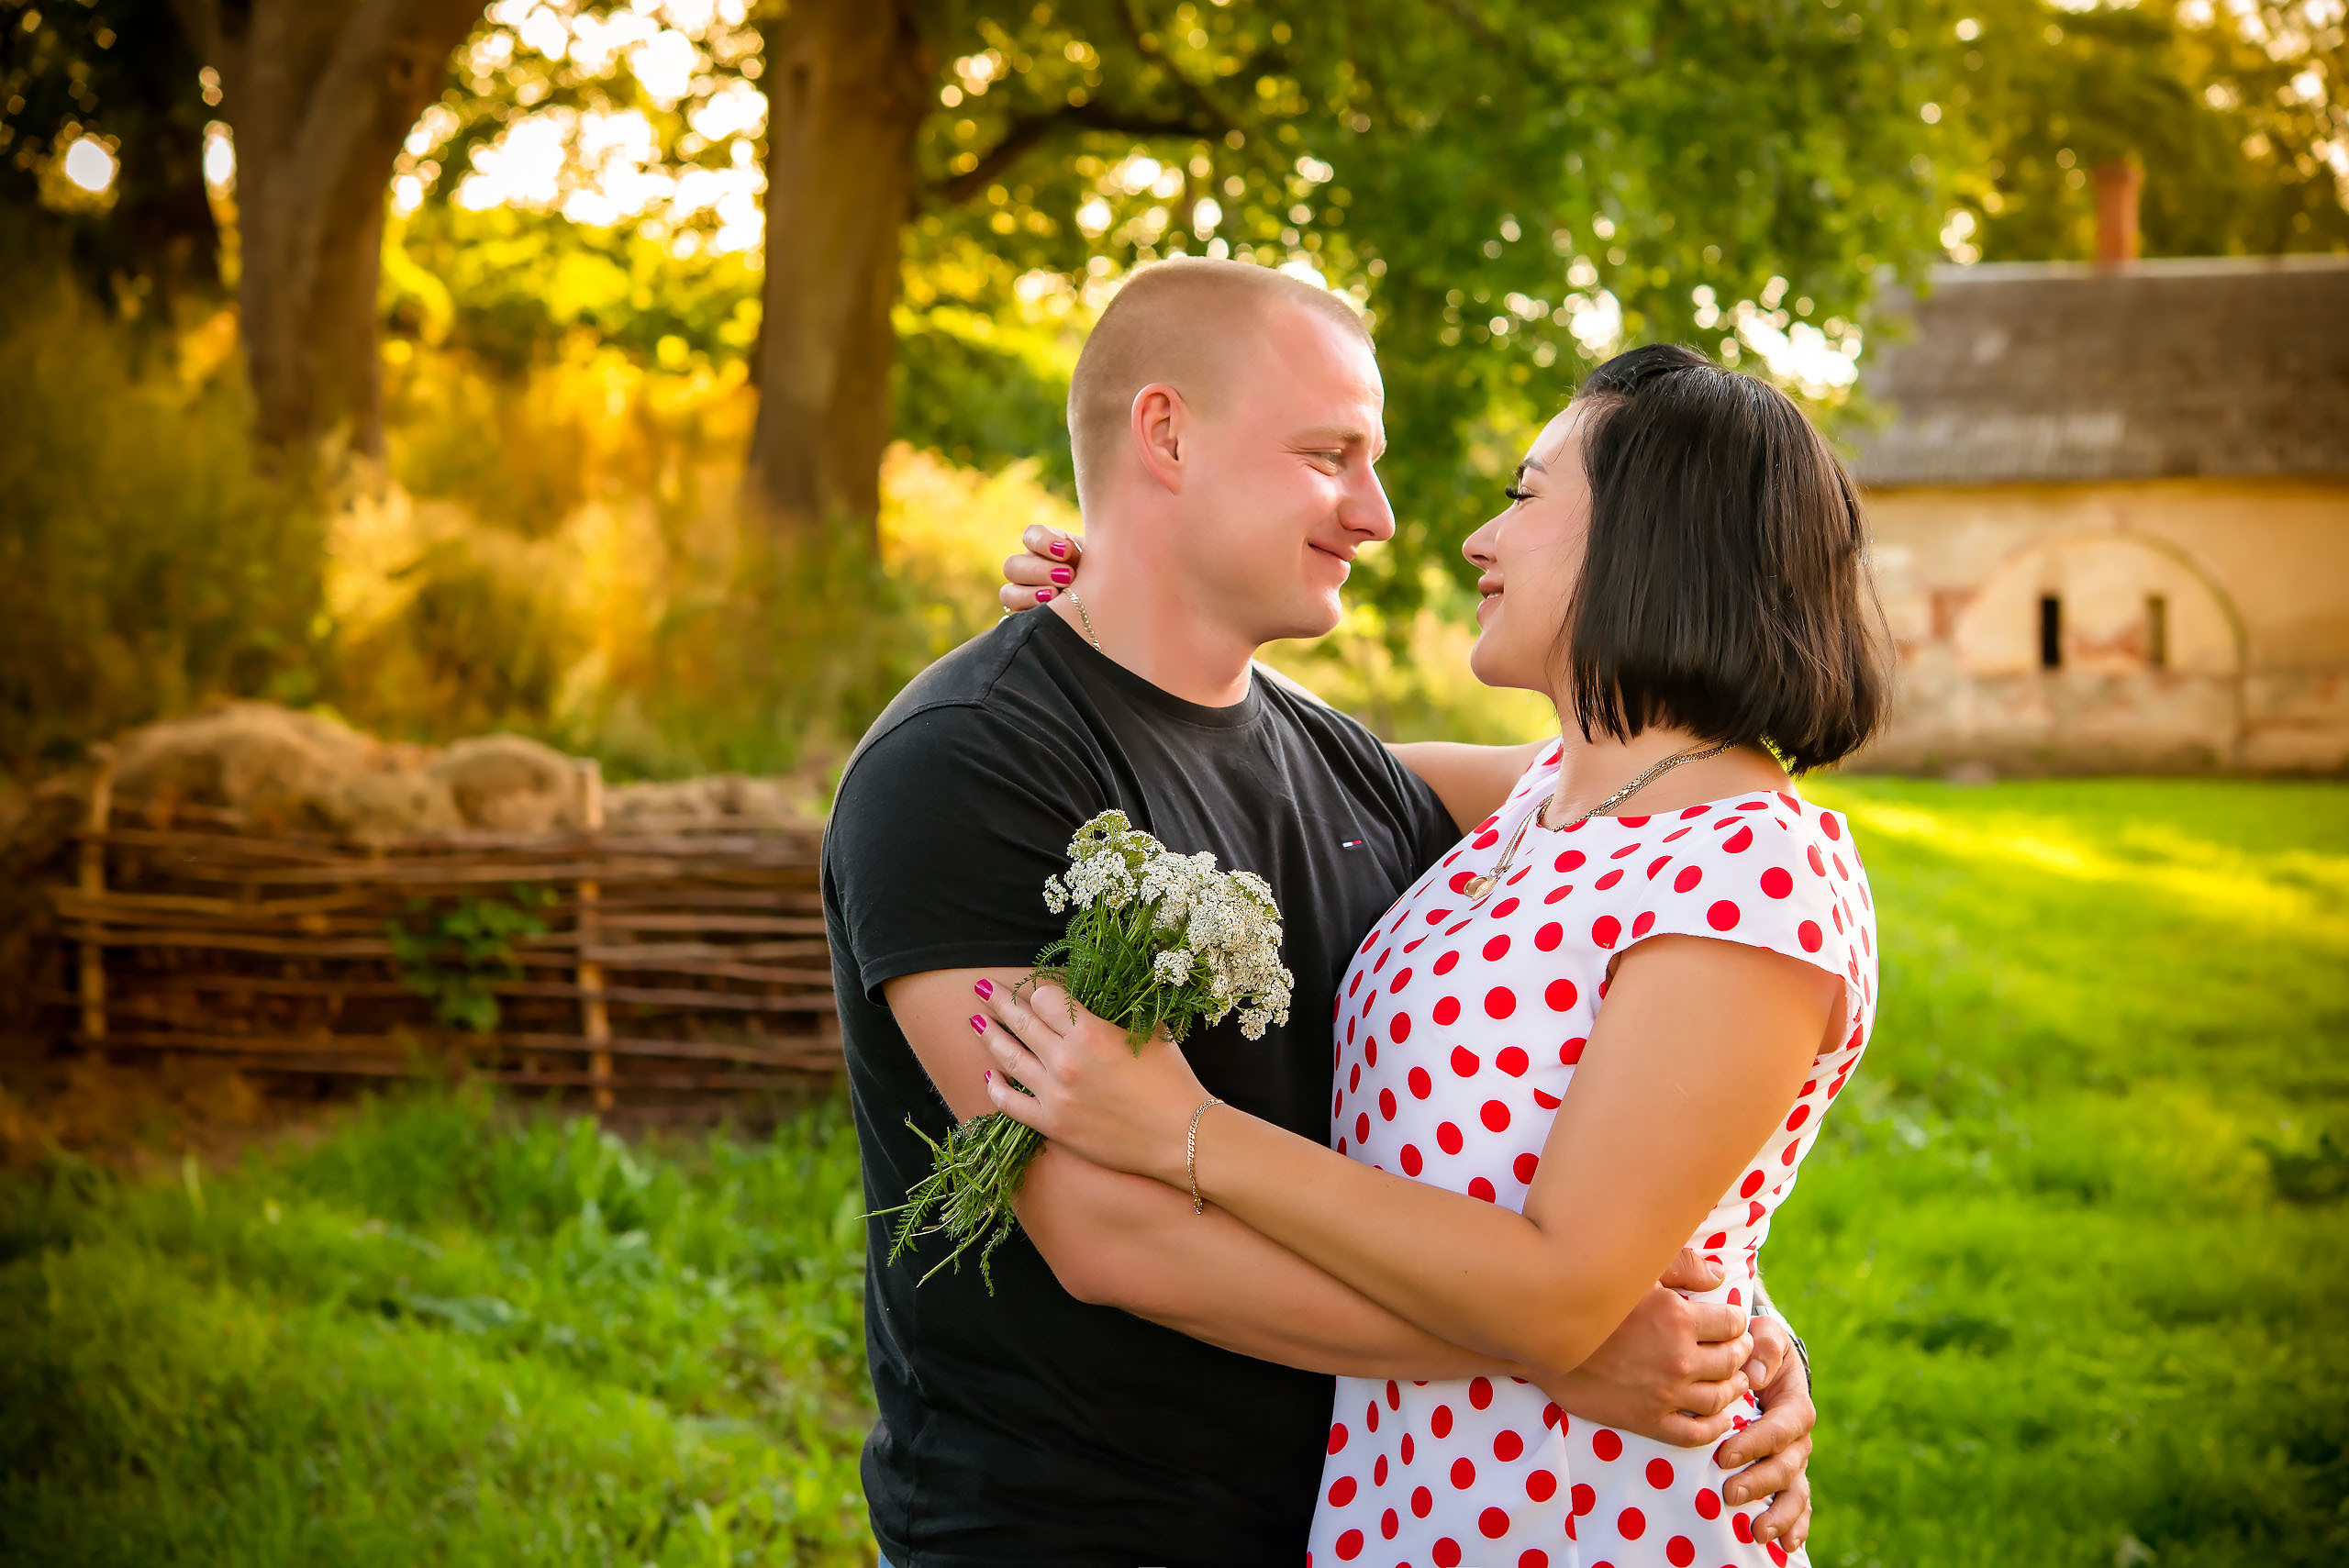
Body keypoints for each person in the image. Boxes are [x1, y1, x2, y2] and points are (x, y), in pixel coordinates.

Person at [823, 261, 1818, 1568]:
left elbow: (1657, 850)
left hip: (1348, 1519)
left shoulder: (1354, 773)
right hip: (1082, 1532)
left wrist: (1725, 1305)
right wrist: (1560, 1340)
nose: (1385, 514)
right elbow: (1110, 1232)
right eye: (1330, 454)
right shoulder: (970, 763)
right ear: (1166, 434)